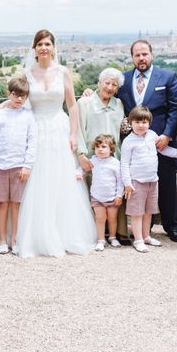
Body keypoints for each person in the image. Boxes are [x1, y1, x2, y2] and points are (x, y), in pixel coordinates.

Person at [0, 29, 97, 258]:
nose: (44, 48)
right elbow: (16, 98)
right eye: (40, 44)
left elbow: (72, 104)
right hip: (33, 127)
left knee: (57, 179)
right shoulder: (27, 73)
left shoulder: (63, 72)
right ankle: (23, 235)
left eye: (47, 43)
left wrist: (73, 134)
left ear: (53, 47)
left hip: (59, 127)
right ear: (34, 48)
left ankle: (59, 232)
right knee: (31, 179)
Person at [118, 40, 177, 243]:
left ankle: (172, 226)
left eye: (144, 54)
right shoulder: (124, 79)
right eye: (137, 55)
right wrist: (89, 92)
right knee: (140, 186)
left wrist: (167, 136)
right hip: (135, 144)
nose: (141, 58)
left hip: (160, 141)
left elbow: (175, 108)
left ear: (151, 54)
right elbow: (110, 96)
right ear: (132, 58)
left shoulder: (168, 76)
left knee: (167, 186)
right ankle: (146, 230)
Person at [0, 76, 36, 254]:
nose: (19, 99)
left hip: (19, 166)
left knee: (16, 204)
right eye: (15, 95)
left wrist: (27, 165)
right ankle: (2, 240)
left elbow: (32, 142)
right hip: (0, 165)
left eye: (23, 95)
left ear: (27, 97)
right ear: (9, 94)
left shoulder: (29, 116)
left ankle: (15, 239)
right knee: (2, 203)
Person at [76, 68, 127, 243]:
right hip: (91, 159)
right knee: (92, 196)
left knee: (114, 195)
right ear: (99, 83)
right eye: (107, 82)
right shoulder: (84, 103)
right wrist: (81, 155)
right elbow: (78, 130)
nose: (110, 87)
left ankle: (115, 233)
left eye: (114, 84)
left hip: (114, 159)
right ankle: (94, 235)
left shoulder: (119, 104)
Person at [121, 106, 177, 253]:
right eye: (137, 122)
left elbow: (163, 150)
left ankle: (146, 236)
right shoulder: (129, 141)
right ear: (130, 122)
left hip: (153, 181)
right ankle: (138, 240)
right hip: (136, 182)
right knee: (137, 212)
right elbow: (124, 164)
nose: (141, 125)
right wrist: (127, 183)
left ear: (150, 123)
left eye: (144, 122)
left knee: (149, 211)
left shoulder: (153, 135)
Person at [86, 134, 123, 251]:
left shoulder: (115, 163)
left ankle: (112, 237)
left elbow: (120, 181)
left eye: (103, 147)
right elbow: (84, 169)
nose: (100, 149)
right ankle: (101, 240)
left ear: (111, 149)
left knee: (112, 219)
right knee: (100, 219)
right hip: (97, 197)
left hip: (112, 197)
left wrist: (119, 195)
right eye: (97, 147)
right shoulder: (93, 161)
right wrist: (78, 173)